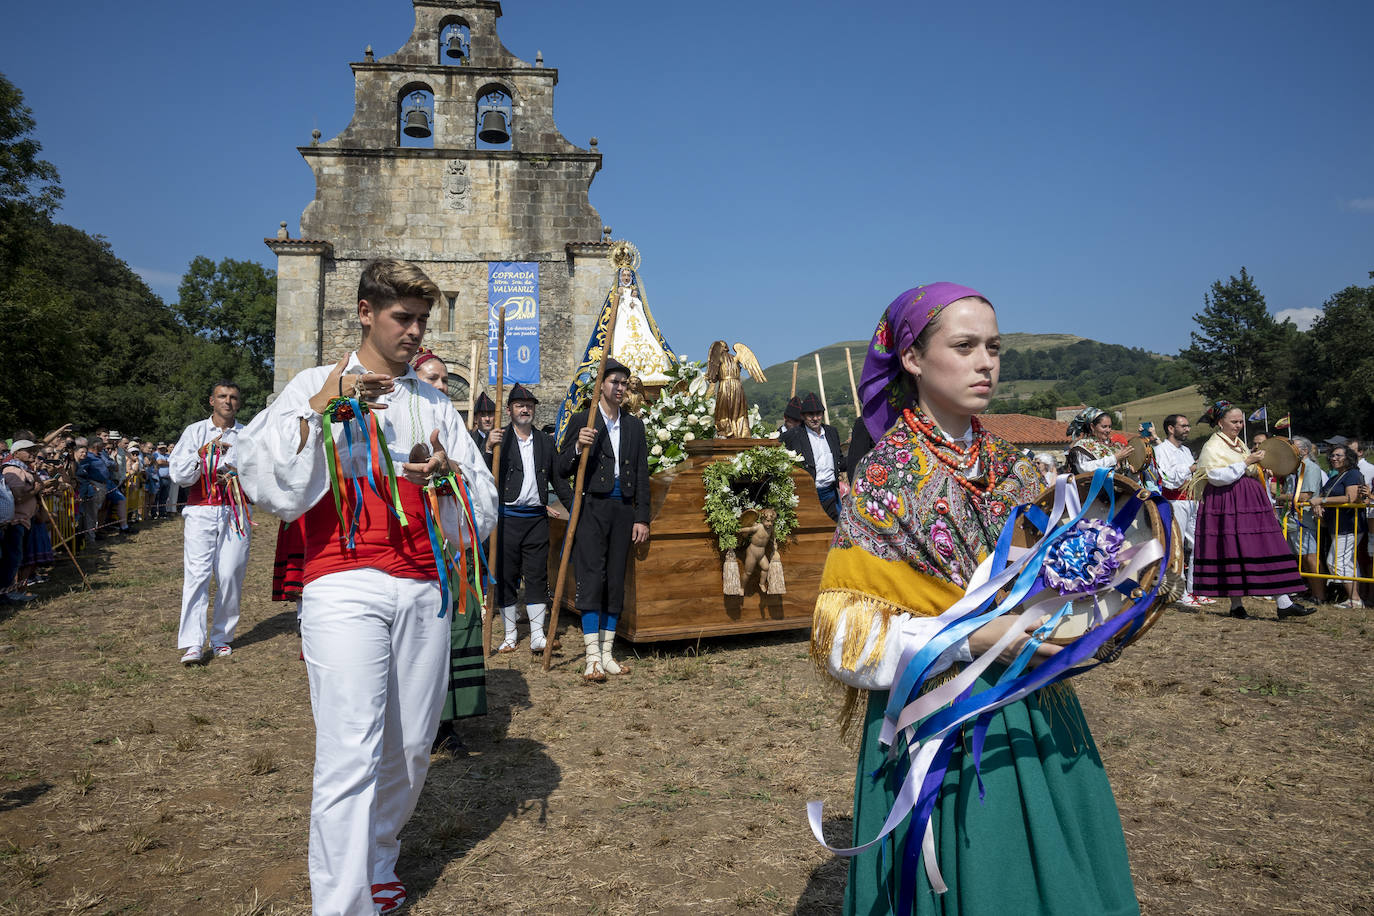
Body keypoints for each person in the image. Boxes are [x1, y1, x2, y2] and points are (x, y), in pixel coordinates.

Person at [818, 283, 1137, 915]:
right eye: (963, 346)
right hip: (936, 720)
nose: (985, 362)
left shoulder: (1018, 471)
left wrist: (1095, 592)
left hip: (1035, 712)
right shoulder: (884, 481)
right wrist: (972, 636)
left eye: (993, 347)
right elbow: (845, 635)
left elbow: (1056, 587)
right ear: (911, 358)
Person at [235, 258, 497, 916]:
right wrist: (323, 414)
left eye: (422, 320)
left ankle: (380, 855)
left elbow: (482, 506)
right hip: (342, 582)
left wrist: (441, 480)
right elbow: (272, 486)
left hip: (422, 589)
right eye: (402, 318)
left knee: (409, 747)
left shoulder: (436, 404)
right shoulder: (309, 386)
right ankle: (343, 904)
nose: (414, 331)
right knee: (351, 746)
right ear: (365, 313)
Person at [412, 349, 487, 755]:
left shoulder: (451, 420)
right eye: (433, 378)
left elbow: (477, 478)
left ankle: (446, 721)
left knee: (455, 626)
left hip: (451, 542)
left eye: (445, 379)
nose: (442, 386)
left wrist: (454, 468)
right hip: (411, 544)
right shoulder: (396, 416)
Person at [557, 357, 650, 682]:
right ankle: (592, 657)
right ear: (601, 386)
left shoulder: (635, 426)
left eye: (624, 383)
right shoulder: (584, 420)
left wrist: (642, 517)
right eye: (615, 382)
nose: (621, 388)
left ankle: (608, 655)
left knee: (614, 579)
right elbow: (561, 468)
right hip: (592, 509)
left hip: (623, 510)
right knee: (592, 577)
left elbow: (641, 474)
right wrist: (577, 449)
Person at [1192, 407, 1314, 620]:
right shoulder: (1212, 445)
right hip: (1226, 501)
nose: (1239, 425)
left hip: (1247, 499)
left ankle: (1283, 601)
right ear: (1221, 422)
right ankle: (1237, 604)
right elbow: (1214, 476)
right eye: (1234, 421)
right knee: (1231, 548)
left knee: (1264, 543)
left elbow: (1246, 468)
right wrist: (1247, 463)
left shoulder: (1239, 444)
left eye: (1240, 421)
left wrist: (1259, 469)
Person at [168, 382, 252, 666]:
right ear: (211, 401)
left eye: (233, 397)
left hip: (235, 510)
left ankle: (221, 637)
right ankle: (192, 642)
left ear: (238, 403)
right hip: (201, 509)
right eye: (222, 396)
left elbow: (258, 471)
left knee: (230, 574)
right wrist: (204, 452)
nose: (228, 401)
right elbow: (179, 474)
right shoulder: (195, 431)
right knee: (197, 575)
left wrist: (236, 475)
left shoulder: (247, 434)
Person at [487, 384, 573, 653]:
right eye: (519, 405)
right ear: (510, 410)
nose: (525, 409)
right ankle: (510, 635)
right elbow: (484, 474)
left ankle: (537, 635)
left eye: (529, 405)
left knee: (537, 576)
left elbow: (559, 479)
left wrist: (576, 509)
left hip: (536, 519)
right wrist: (489, 449)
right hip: (506, 519)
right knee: (506, 576)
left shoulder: (546, 442)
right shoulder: (501, 440)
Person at [1154, 413, 1208, 608]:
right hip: (1174, 500)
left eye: (1188, 426)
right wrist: (1191, 468)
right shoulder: (1160, 450)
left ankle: (1196, 589)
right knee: (1179, 546)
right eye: (1183, 426)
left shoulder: (1186, 450)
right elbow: (1166, 478)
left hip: (1192, 499)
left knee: (1197, 545)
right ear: (1171, 428)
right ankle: (1181, 590)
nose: (1188, 429)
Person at [780, 392, 849, 521]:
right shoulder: (794, 435)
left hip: (830, 493)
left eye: (818, 414)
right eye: (810, 415)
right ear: (803, 416)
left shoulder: (831, 432)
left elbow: (839, 460)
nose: (815, 418)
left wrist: (858, 460)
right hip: (808, 494)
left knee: (835, 530)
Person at [1313, 444, 1364, 608]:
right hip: (1336, 525)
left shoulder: (1353, 474)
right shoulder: (1336, 476)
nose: (1334, 458)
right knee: (1347, 562)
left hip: (1349, 525)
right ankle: (1354, 598)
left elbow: (1350, 497)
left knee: (1336, 562)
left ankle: (1355, 599)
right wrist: (1319, 504)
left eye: (1338, 456)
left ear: (1348, 457)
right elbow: (1323, 493)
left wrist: (1323, 501)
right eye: (1332, 456)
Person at [1285, 437, 1326, 602]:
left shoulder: (1310, 468)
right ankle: (1311, 592)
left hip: (1305, 519)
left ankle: (1320, 595)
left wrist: (1280, 496)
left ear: (1305, 450)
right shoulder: (1293, 468)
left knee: (1310, 557)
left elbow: (1305, 495)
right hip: (1293, 520)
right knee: (1302, 557)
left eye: (1293, 448)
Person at [1065, 407, 1133, 475]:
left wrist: (1132, 472)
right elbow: (1083, 468)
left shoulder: (1115, 446)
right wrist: (1114, 458)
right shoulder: (1082, 446)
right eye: (1104, 427)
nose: (1108, 430)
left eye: (1109, 427)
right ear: (1092, 426)